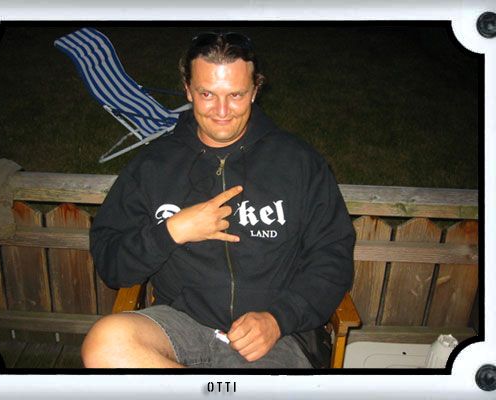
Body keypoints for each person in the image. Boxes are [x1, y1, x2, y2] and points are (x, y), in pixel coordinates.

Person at [82, 31, 355, 369]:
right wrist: (172, 231)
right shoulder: (153, 166)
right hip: (183, 324)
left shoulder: (299, 162)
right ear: (188, 90)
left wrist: (278, 318)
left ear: (255, 90)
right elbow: (111, 263)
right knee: (106, 344)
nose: (222, 111)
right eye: (207, 94)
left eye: (236, 94)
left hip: (273, 336)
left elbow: (333, 256)